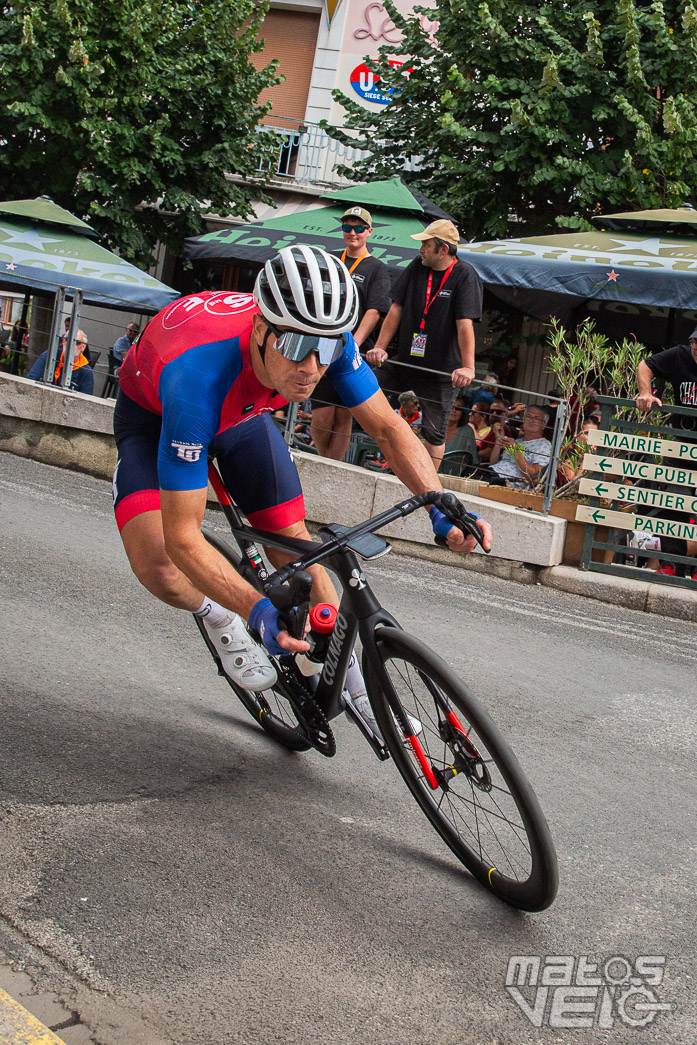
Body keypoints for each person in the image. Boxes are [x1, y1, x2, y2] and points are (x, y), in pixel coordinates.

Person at [112, 245, 492, 737]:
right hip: (160, 417)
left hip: (242, 415)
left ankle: (355, 683)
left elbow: (389, 430)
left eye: (326, 350)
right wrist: (253, 609)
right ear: (262, 330)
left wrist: (440, 506)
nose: (312, 368)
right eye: (296, 349)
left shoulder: (322, 342)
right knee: (159, 564)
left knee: (298, 549)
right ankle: (219, 618)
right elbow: (184, 538)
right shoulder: (198, 377)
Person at [366, 218, 483, 470]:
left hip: (441, 371)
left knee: (434, 433)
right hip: (406, 361)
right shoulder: (417, 266)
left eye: (425, 245)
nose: (420, 249)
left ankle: (428, 486)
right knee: (366, 386)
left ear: (442, 249)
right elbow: (396, 308)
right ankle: (391, 450)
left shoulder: (464, 275)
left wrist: (468, 368)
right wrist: (381, 347)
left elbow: (465, 324)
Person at [310, 207, 390, 461]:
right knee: (322, 413)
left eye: (358, 228)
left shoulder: (376, 268)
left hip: (353, 346)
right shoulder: (331, 260)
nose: (352, 233)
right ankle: (324, 459)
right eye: (347, 228)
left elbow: (375, 310)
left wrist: (353, 342)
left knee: (344, 413)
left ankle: (332, 466)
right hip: (323, 341)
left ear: (369, 231)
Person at [635, 331, 697, 576]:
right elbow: (645, 365)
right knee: (672, 501)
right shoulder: (680, 354)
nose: (696, 349)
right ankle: (671, 562)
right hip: (683, 442)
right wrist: (645, 392)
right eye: (694, 343)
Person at [486, 406, 552, 488]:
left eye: (536, 418)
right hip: (491, 472)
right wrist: (499, 439)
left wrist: (516, 451)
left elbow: (535, 476)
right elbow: (493, 463)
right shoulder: (517, 441)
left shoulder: (544, 445)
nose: (531, 420)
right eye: (528, 416)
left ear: (543, 425)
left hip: (505, 481)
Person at [26, 329, 94, 394]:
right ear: (63, 341)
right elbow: (31, 381)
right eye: (68, 340)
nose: (70, 345)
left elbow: (84, 400)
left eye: (76, 342)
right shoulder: (49, 356)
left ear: (83, 347)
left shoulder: (86, 372)